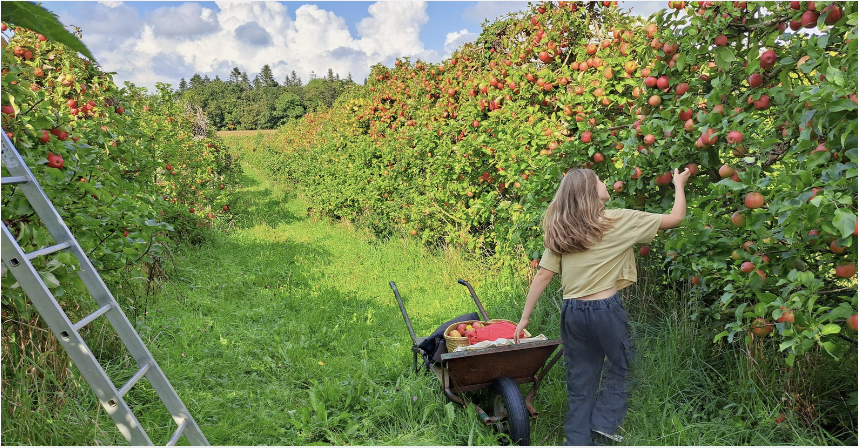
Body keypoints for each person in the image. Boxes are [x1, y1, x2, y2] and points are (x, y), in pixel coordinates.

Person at [514, 167, 691, 446]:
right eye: (598, 180)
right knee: (626, 364)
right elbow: (677, 217)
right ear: (590, 191)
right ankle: (604, 426)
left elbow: (544, 275)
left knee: (580, 380)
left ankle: (576, 441)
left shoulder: (564, 228)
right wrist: (679, 184)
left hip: (571, 313)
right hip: (605, 311)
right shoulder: (617, 220)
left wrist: (525, 317)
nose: (604, 182)